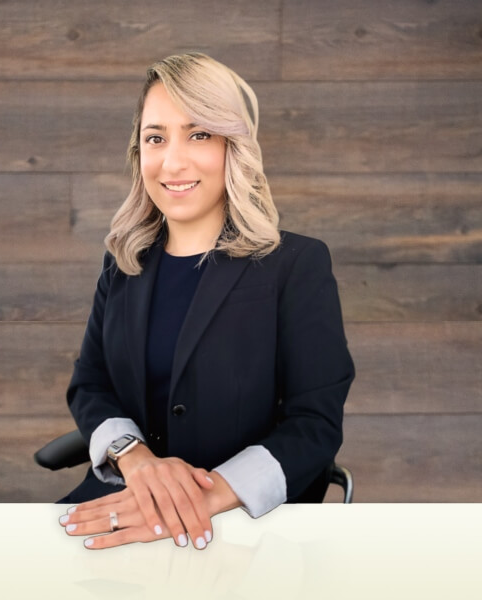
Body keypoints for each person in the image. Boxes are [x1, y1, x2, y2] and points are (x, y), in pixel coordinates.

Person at [58, 52, 354, 550]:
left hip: (244, 523)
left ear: (232, 145)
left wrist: (200, 496)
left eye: (199, 134)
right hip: (126, 498)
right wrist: (136, 459)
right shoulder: (124, 263)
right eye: (156, 138)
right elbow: (91, 385)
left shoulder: (296, 264)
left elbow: (314, 424)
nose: (173, 161)